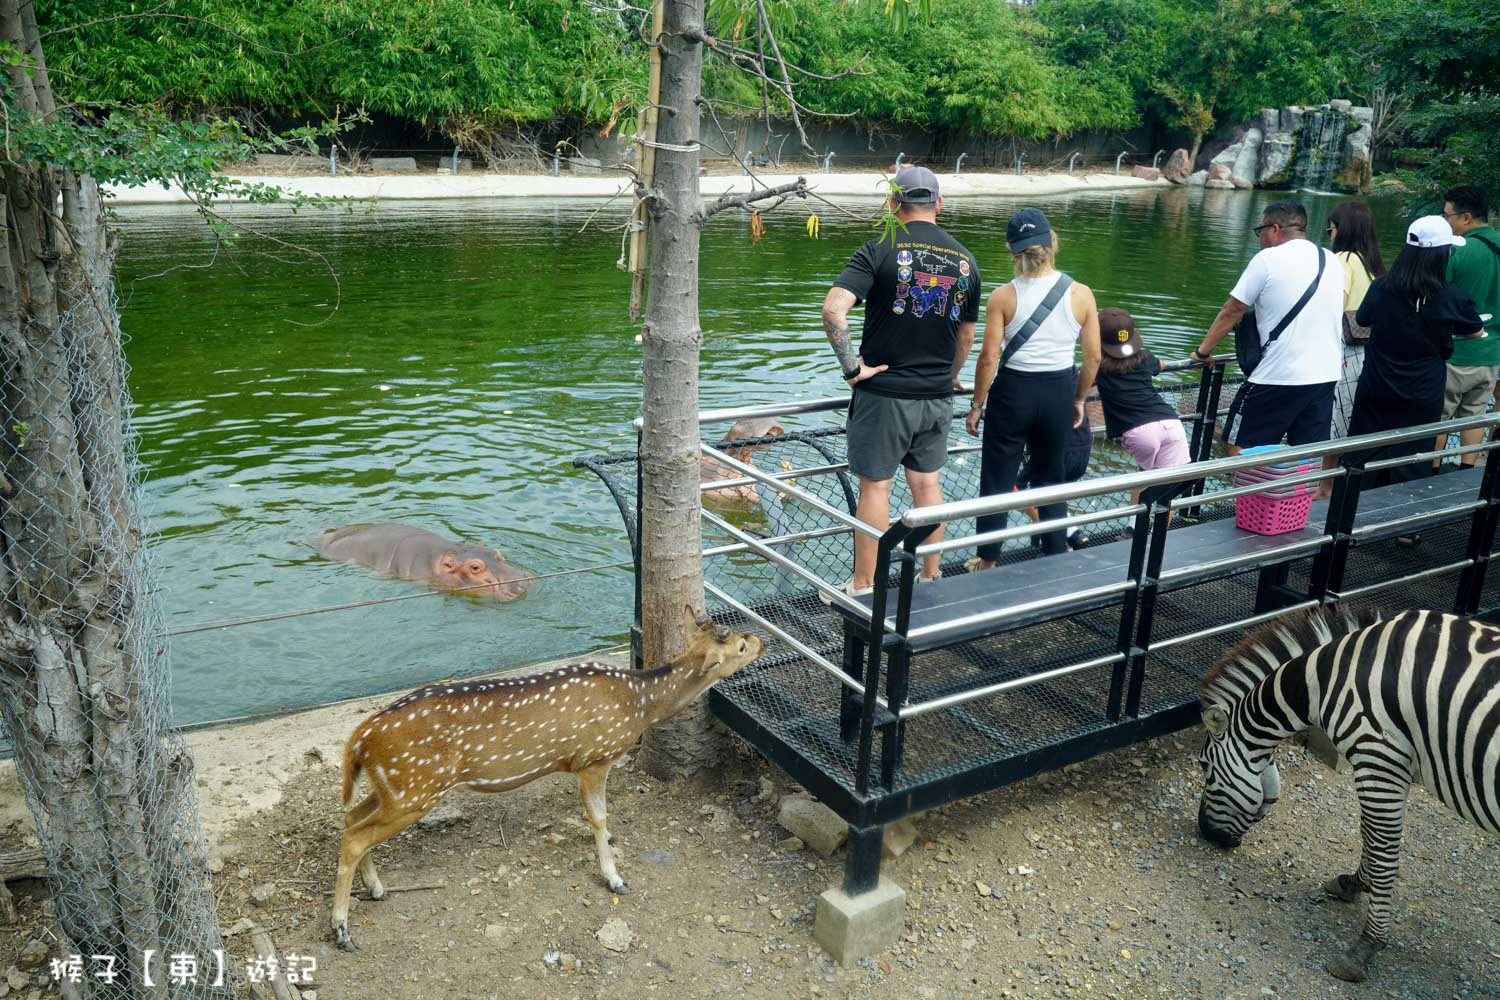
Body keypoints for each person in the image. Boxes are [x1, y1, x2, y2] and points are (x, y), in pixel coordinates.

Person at [821, 166, 979, 594]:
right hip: (937, 395)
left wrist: (853, 369)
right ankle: (931, 576)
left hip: (886, 394)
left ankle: (864, 584)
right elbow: (966, 335)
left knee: (877, 487)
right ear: (939, 205)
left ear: (893, 205)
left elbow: (834, 310)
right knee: (927, 485)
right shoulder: (966, 260)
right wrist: (950, 377)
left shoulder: (878, 249)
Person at [965, 208, 1101, 570]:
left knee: (997, 476)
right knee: (1050, 476)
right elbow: (1094, 360)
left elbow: (989, 358)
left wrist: (978, 404)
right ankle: (1054, 554)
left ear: (1013, 251)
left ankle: (988, 558)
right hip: (1058, 390)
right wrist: (1078, 399)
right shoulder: (1081, 294)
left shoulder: (1003, 297)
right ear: (1052, 241)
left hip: (1012, 394)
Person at [1193, 201, 1344, 453]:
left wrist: (1202, 352)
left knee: (1238, 446)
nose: (1259, 237)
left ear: (1274, 229)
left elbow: (1233, 309)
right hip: (1325, 375)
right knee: (1305, 454)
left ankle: (1251, 494)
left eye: (1259, 230)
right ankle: (1294, 494)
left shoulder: (1267, 259)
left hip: (1279, 375)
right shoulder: (1329, 258)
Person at [1345, 216, 1483, 490]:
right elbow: (1475, 330)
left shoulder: (1382, 286)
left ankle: (1348, 518)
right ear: (1442, 254)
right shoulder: (1451, 296)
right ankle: (1404, 530)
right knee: (1413, 454)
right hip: (1421, 389)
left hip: (1377, 383)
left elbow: (1362, 320)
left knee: (1362, 451)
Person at [1094, 308, 1191, 519]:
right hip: (1170, 422)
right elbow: (1161, 365)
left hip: (1138, 429)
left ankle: (1132, 528)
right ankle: (1158, 538)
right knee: (1167, 488)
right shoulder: (1145, 357)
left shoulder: (1098, 366)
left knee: (1144, 478)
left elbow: (1078, 383)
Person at [1436, 186, 1500, 466]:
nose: (1445, 222)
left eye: (1447, 215)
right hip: (1490, 354)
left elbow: (1436, 296)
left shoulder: (1458, 250)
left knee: (1438, 420)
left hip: (1456, 352)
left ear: (1466, 217)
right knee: (1474, 417)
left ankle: (1432, 474)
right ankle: (1465, 471)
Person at [1326, 201, 1386, 439]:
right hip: (1368, 351)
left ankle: (1326, 475)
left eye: (1330, 229)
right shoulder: (1372, 263)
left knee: (1335, 422)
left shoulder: (1344, 259)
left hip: (1345, 350)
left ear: (1343, 229)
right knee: (1352, 419)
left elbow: (1334, 306)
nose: (1330, 235)